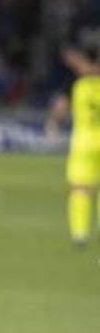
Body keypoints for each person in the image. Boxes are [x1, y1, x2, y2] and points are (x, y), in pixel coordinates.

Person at [60, 48, 100, 248]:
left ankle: (80, 233)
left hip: (84, 142)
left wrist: (54, 123)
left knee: (80, 188)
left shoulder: (76, 83)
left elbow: (59, 108)